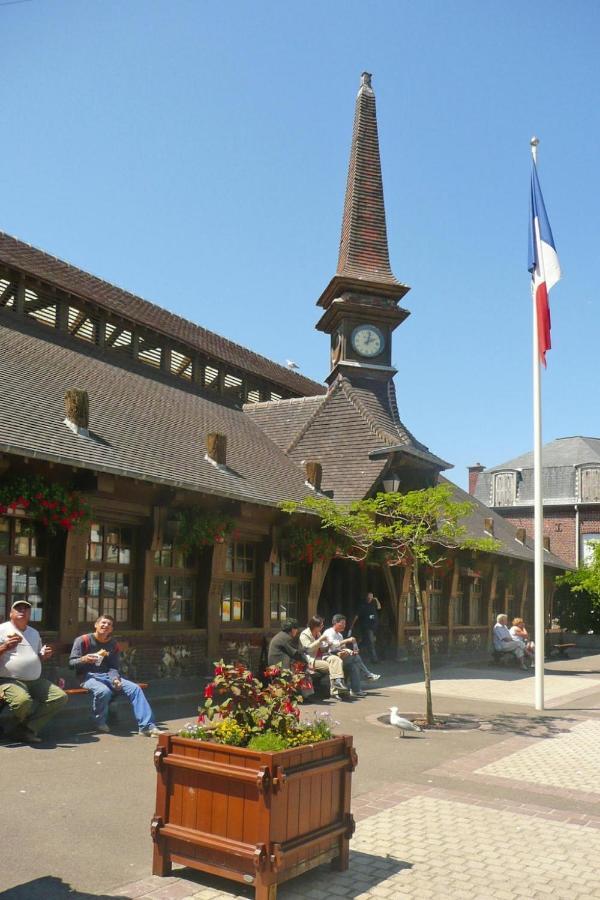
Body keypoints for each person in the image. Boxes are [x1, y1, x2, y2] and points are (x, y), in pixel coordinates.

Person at [69, 614, 161, 736]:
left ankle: (147, 726)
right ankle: (99, 722)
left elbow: (113, 667)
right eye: (103, 623)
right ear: (96, 625)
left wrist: (115, 679)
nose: (105, 626)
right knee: (104, 691)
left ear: (111, 629)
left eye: (109, 624)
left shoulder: (112, 644)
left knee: (135, 689)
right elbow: (71, 663)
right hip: (87, 676)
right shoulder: (83, 640)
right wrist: (84, 659)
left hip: (107, 676)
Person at [0, 599, 68, 743]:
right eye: (18, 608)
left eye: (26, 609)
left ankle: (26, 729)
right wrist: (4, 647)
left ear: (30, 614)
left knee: (60, 697)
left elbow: (37, 655)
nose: (22, 611)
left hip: (34, 680)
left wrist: (43, 656)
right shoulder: (2, 630)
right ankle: (14, 727)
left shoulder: (34, 633)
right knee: (23, 701)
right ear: (11, 613)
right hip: (9, 679)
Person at [299, 616, 350, 699]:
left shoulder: (318, 633)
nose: (322, 627)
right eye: (321, 626)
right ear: (315, 626)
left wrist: (328, 645)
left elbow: (322, 649)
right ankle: (336, 691)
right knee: (333, 667)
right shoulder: (305, 634)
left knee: (336, 660)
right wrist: (320, 640)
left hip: (321, 656)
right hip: (311, 659)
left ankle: (338, 685)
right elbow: (308, 650)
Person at [321, 614, 365, 697]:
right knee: (355, 658)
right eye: (342, 623)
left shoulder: (340, 635)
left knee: (353, 665)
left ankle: (355, 690)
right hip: (328, 656)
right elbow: (332, 646)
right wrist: (347, 640)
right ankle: (367, 673)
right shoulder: (329, 632)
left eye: (345, 624)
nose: (344, 626)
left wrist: (350, 651)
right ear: (335, 623)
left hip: (338, 656)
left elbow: (342, 648)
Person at [351, 592, 381, 663]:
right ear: (366, 597)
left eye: (371, 597)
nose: (370, 599)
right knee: (371, 642)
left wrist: (376, 600)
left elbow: (379, 607)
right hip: (366, 626)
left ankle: (355, 653)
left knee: (364, 642)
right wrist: (352, 624)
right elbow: (357, 615)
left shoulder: (373, 604)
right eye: (369, 597)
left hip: (374, 626)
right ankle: (374, 659)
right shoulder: (363, 606)